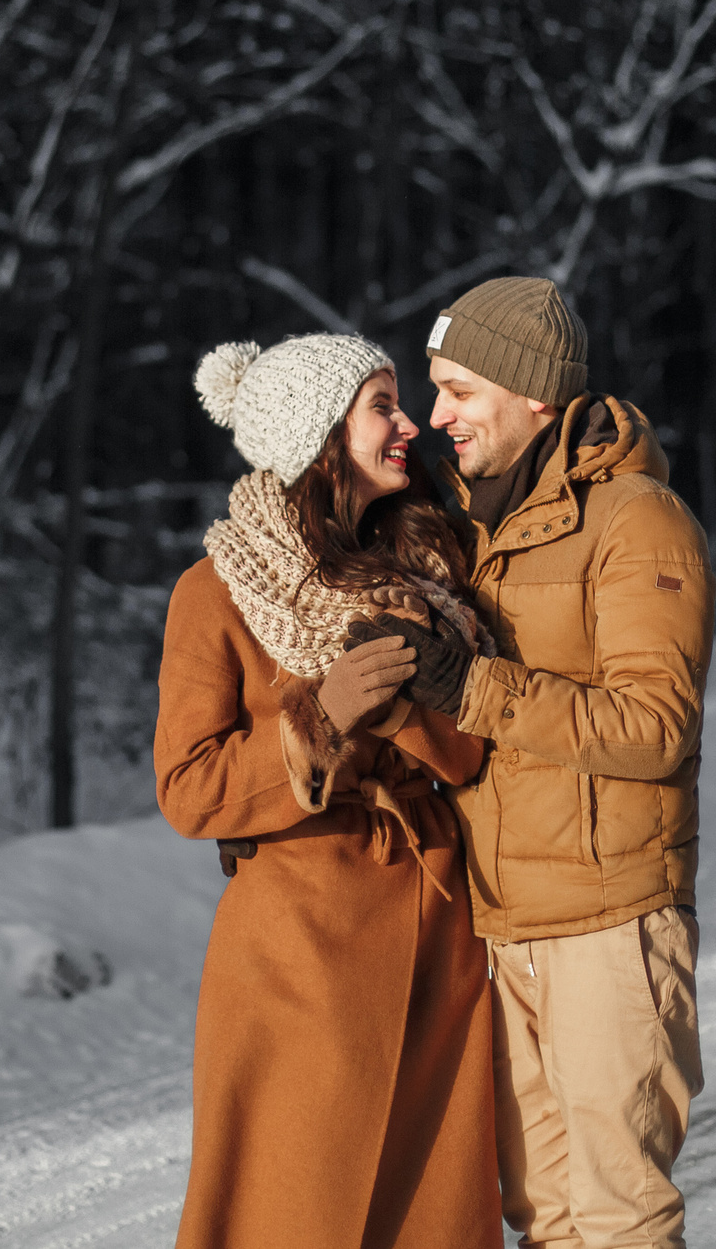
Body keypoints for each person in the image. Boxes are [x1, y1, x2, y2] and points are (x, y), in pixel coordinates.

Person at [154, 332, 504, 1249]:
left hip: (438, 933)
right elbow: (188, 787)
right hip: (296, 954)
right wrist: (318, 721)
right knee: (288, 1210)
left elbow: (475, 751)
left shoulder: (432, 571)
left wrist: (404, 710)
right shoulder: (215, 593)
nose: (410, 424)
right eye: (382, 406)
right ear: (317, 437)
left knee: (430, 1212)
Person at [389, 276, 715, 1249]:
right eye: (435, 390)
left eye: (459, 390)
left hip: (609, 925)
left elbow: (656, 725)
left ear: (534, 392)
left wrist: (476, 687)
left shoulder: (637, 520)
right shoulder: (469, 527)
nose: (437, 415)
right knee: (545, 1220)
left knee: (619, 1215)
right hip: (502, 923)